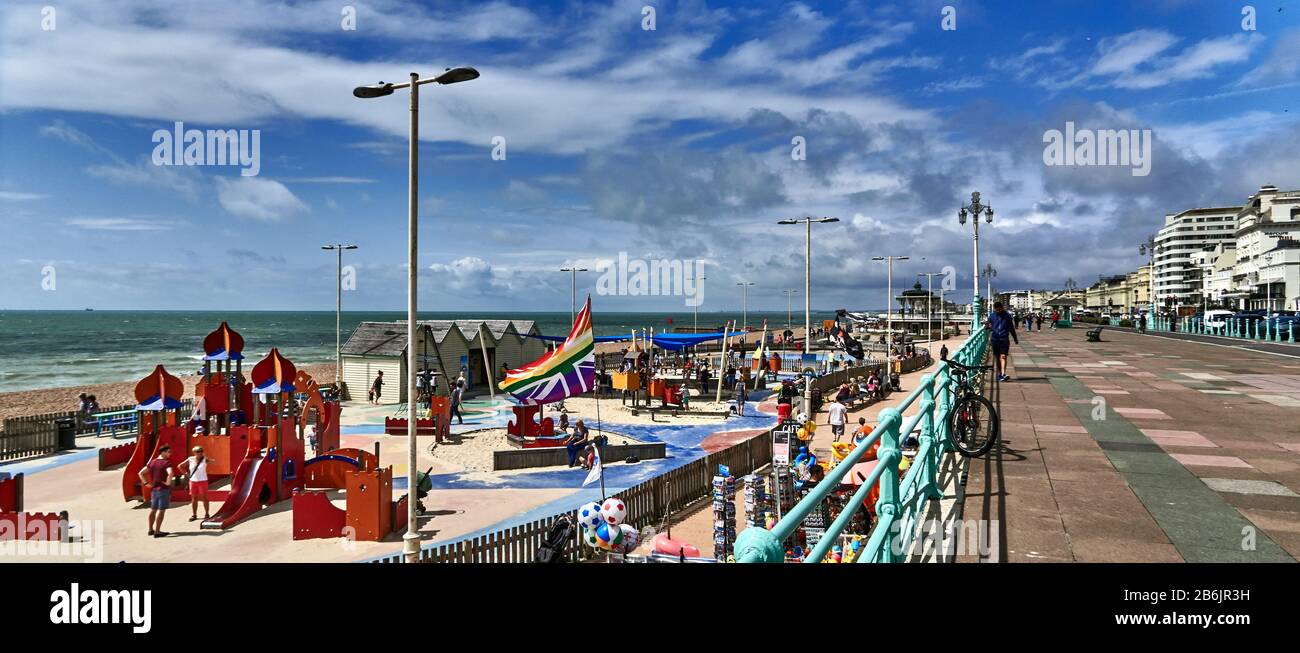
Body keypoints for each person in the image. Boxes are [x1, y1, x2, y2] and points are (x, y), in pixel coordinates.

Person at [137, 444, 176, 537]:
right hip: (164, 490)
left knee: (153, 510)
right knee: (161, 510)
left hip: (154, 490)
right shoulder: (166, 463)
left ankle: (150, 529)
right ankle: (157, 531)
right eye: (168, 452)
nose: (170, 454)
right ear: (163, 452)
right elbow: (170, 473)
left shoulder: (153, 462)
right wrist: (168, 483)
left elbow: (141, 473)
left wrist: (146, 484)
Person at [986, 301, 1019, 382]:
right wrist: (987, 326)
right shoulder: (992, 316)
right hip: (995, 339)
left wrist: (1015, 338)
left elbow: (1011, 328)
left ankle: (1003, 373)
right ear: (995, 309)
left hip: (1004, 339)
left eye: (1000, 310)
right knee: (997, 358)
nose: (998, 311)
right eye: (997, 310)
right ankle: (1000, 374)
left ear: (1002, 308)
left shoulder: (1007, 316)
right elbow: (987, 325)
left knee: (1003, 356)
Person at [177, 445, 211, 522]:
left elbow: (214, 462)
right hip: (193, 481)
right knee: (194, 498)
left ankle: (207, 514)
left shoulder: (204, 459)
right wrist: (186, 474)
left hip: (203, 481)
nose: (200, 452)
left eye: (201, 451)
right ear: (194, 452)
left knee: (204, 498)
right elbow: (180, 466)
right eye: (198, 451)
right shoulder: (190, 459)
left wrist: (207, 459)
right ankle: (194, 514)